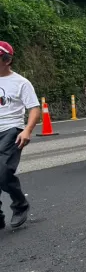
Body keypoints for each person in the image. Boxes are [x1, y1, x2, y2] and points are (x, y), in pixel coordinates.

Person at [0, 41, 41, 230]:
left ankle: (20, 204)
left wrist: (27, 130)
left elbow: (34, 108)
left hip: (11, 130)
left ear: (7, 60)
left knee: (3, 172)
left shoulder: (21, 83)